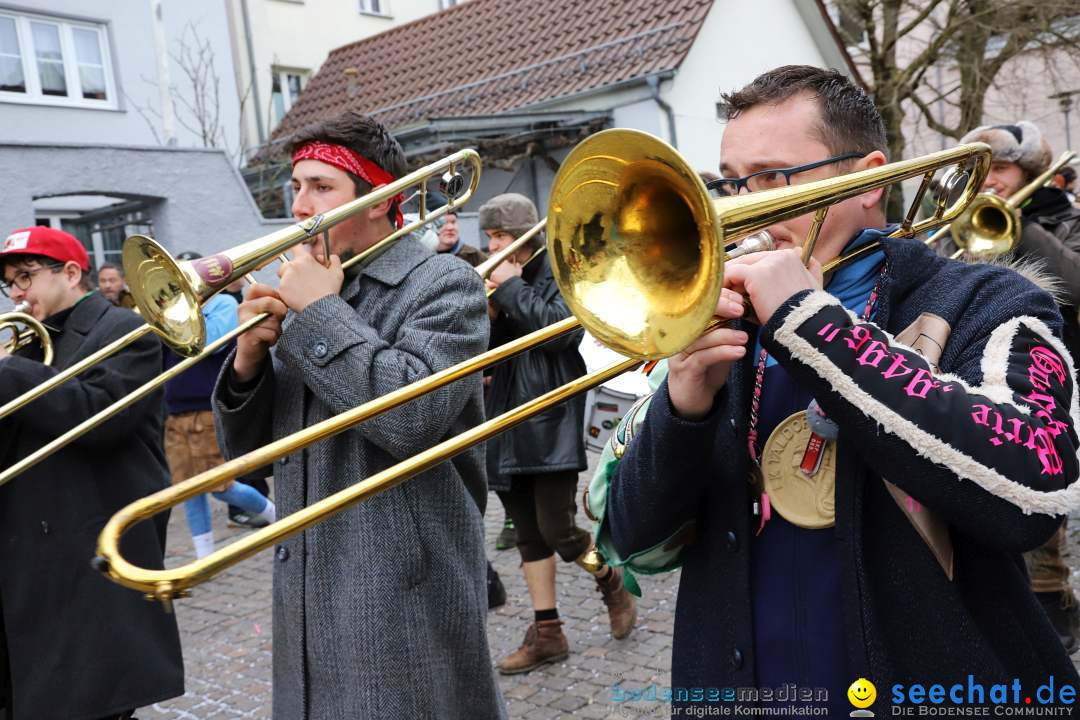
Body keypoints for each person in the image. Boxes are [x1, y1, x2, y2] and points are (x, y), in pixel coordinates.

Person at [597, 66, 1080, 716]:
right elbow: (631, 538)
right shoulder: (715, 318)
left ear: (869, 180)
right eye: (730, 182)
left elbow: (1032, 491)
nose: (739, 203)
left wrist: (810, 322)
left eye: (772, 176)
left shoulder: (985, 300)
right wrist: (683, 403)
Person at [211, 111, 505, 719]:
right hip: (307, 579)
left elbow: (411, 417)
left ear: (378, 201)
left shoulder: (442, 283)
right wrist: (247, 360)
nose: (298, 205)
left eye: (322, 187)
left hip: (401, 587)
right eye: (295, 186)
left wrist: (316, 312)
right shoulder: (306, 291)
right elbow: (244, 456)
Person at [0, 226, 183, 719]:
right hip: (28, 549)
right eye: (10, 284)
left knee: (90, 700)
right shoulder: (22, 346)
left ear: (71, 272)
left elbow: (103, 418)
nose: (17, 293)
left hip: (90, 544)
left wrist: (8, 373)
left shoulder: (123, 329)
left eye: (25, 277)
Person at [482, 192, 636, 675]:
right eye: (488, 237)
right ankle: (547, 630)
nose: (493, 246)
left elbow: (562, 332)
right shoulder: (506, 279)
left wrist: (508, 289)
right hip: (505, 417)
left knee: (560, 531)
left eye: (500, 236)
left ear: (523, 233)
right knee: (529, 535)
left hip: (548, 418)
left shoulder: (562, 269)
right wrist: (486, 316)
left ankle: (610, 579)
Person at [953, 120, 1080, 654]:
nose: (988, 182)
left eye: (999, 169)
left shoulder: (1063, 220)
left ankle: (1053, 598)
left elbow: (1074, 283)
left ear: (1031, 172)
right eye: (979, 172)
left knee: (1042, 479)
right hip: (987, 369)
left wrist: (1017, 224)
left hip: (1058, 370)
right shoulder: (965, 225)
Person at [163, 251, 275, 558]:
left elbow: (209, 344)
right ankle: (204, 557)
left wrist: (178, 317)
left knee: (220, 483)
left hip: (204, 408)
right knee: (187, 490)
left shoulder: (223, 303)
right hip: (175, 411)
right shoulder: (170, 312)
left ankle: (277, 516)